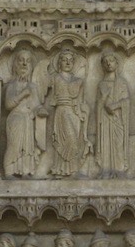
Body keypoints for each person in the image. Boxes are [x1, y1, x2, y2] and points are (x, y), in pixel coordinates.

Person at [41, 48, 87, 177]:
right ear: (59, 62)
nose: (67, 62)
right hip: (61, 111)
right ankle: (60, 169)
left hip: (74, 113)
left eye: (70, 60)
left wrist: (82, 112)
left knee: (75, 141)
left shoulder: (78, 80)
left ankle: (71, 170)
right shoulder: (54, 78)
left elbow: (80, 100)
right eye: (64, 60)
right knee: (66, 140)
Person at [3, 50, 42, 177]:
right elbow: (8, 105)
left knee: (27, 149)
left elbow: (36, 105)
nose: (24, 64)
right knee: (14, 146)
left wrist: (40, 110)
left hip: (28, 121)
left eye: (28, 61)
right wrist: (22, 94)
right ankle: (9, 172)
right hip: (16, 118)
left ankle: (25, 172)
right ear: (15, 65)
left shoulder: (33, 86)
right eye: (21, 60)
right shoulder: (12, 85)